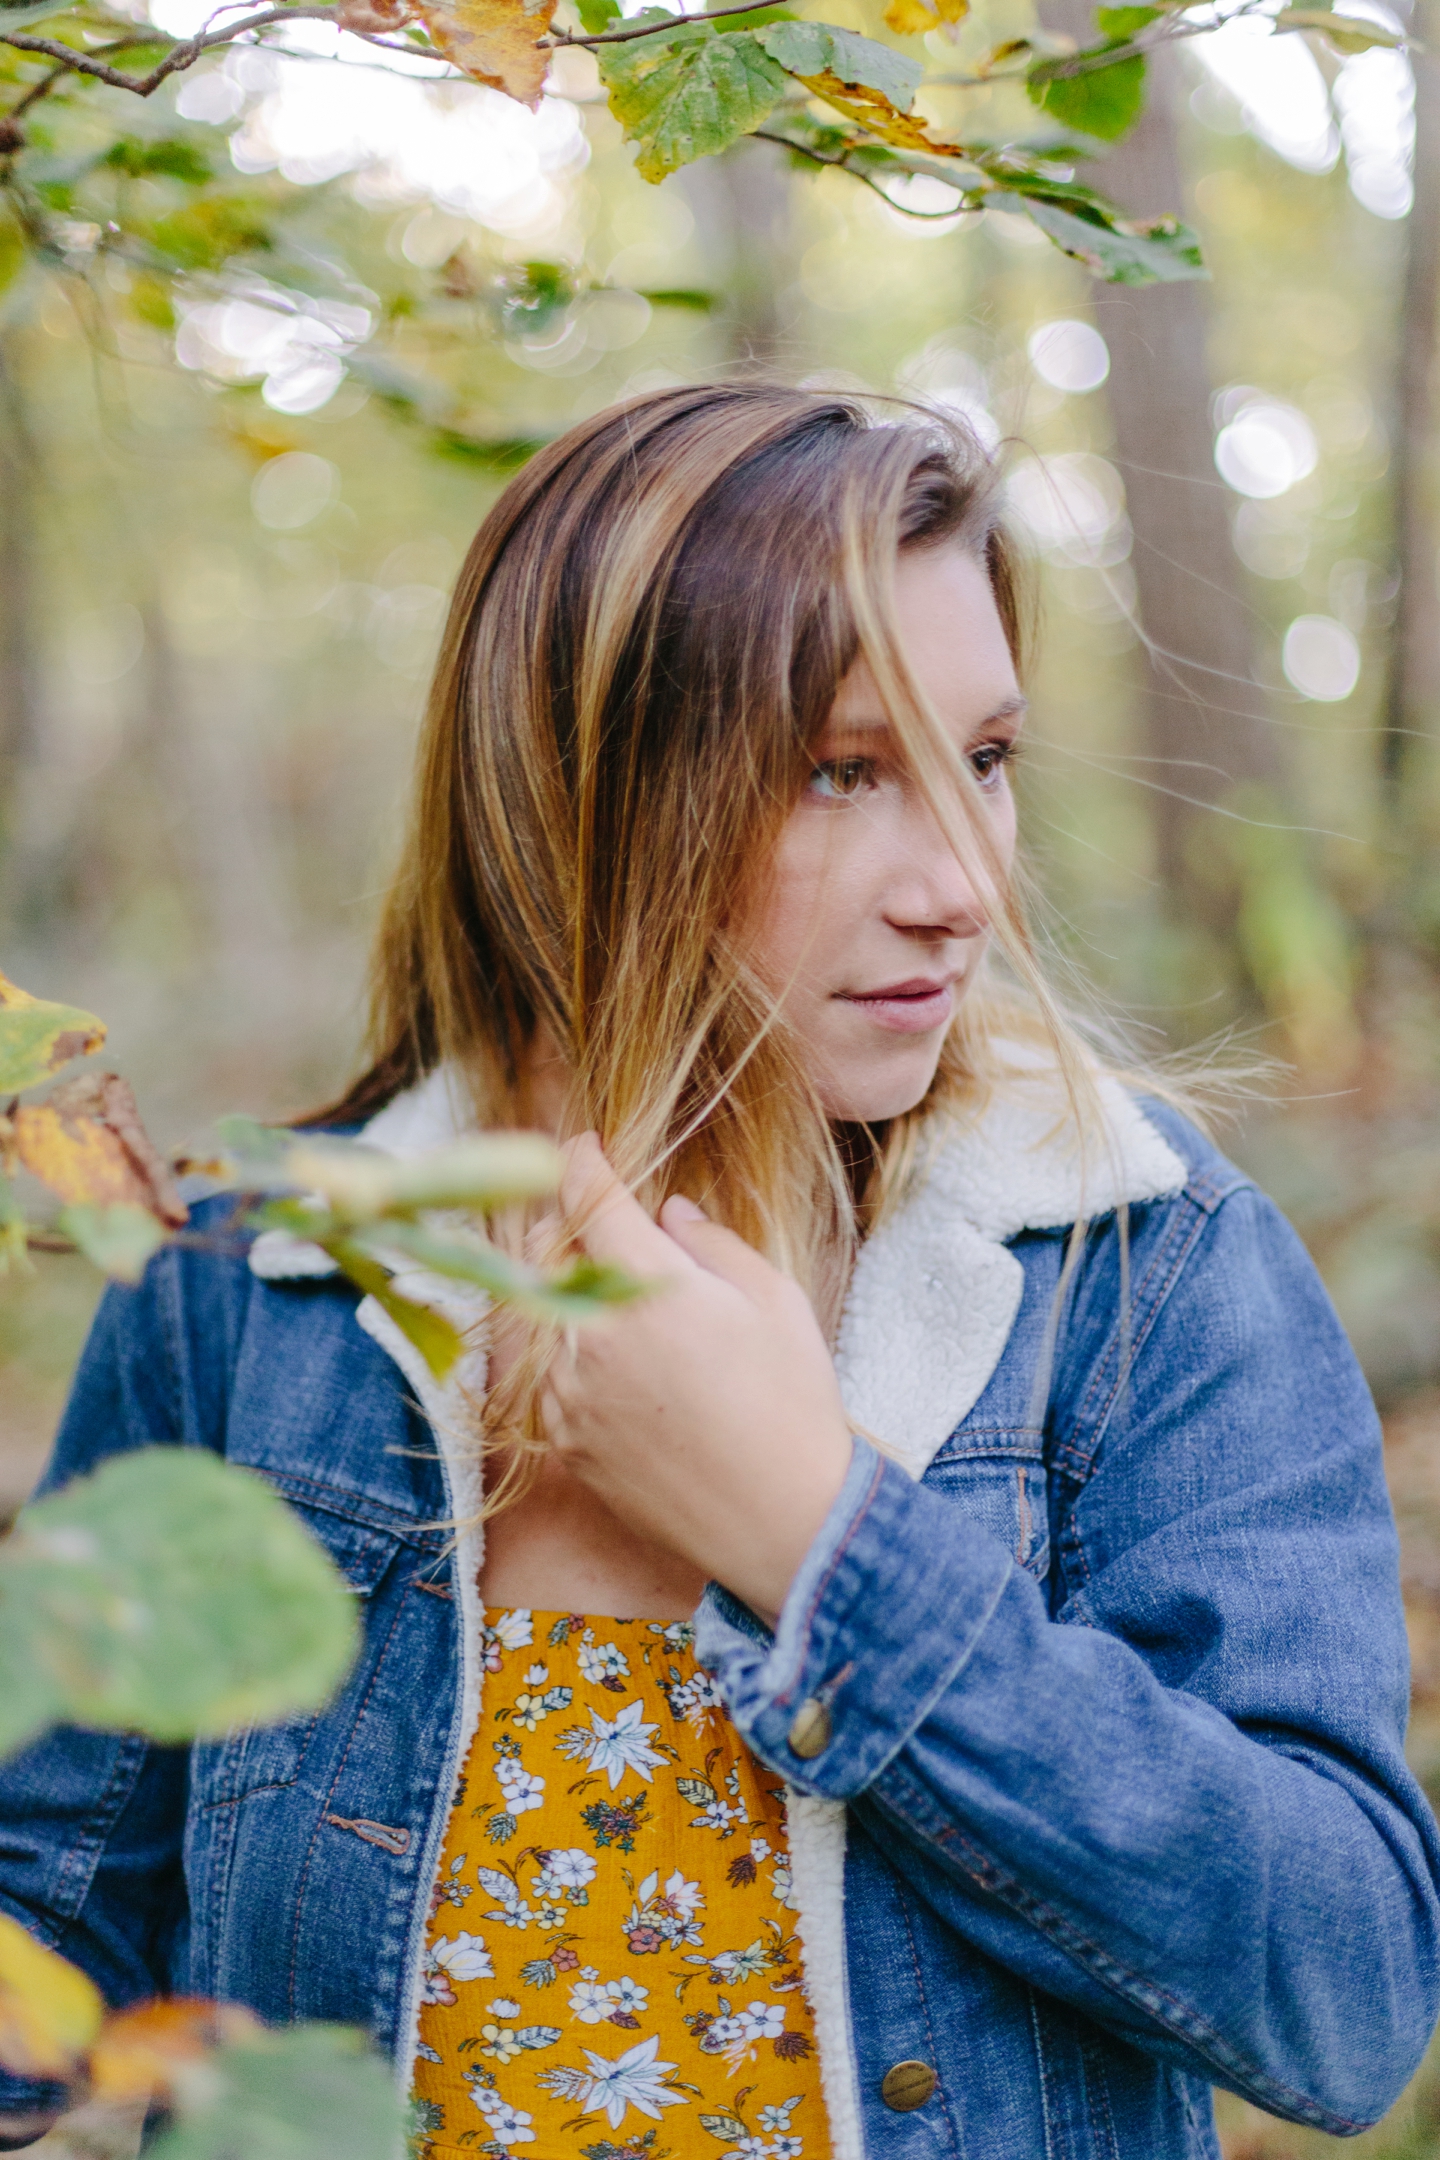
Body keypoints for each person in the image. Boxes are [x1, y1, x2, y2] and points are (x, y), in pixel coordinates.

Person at [1, 381, 1437, 2160]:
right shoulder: (248, 1292)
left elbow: (1348, 1998)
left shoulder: (1136, 1270)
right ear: (581, 791)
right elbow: (42, 1934)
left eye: (982, 761)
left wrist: (822, 1542)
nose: (961, 886)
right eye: (844, 770)